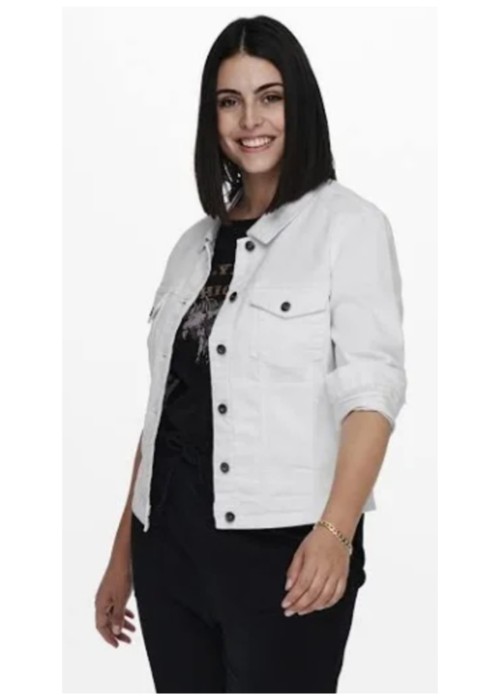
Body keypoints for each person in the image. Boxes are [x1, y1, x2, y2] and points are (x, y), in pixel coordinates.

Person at [94, 14, 407, 693]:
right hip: (167, 550)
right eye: (229, 101)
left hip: (284, 553)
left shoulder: (349, 228)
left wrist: (336, 532)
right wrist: (123, 555)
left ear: (300, 105)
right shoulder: (192, 246)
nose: (249, 120)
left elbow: (371, 395)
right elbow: (161, 414)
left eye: (270, 97)